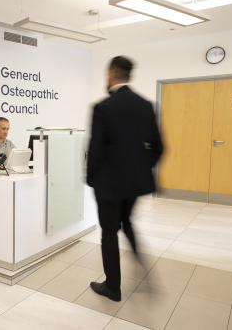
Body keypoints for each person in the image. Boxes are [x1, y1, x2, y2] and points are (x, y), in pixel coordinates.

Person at [87, 56, 163, 302]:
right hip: (134, 183)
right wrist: (140, 168)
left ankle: (112, 287)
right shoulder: (145, 105)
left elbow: (96, 150)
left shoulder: (104, 107)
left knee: (109, 231)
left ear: (111, 73)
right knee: (126, 222)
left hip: (109, 185)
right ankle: (142, 265)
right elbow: (158, 147)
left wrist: (91, 178)